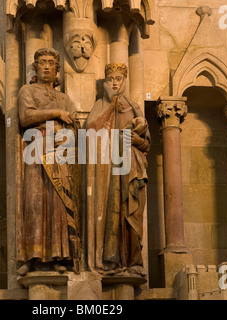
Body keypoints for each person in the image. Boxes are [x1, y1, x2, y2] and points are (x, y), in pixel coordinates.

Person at [16, 48, 81, 275]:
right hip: (36, 149)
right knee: (35, 200)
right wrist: (55, 113)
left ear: (57, 69)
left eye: (50, 63)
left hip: (61, 153)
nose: (46, 66)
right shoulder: (28, 91)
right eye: (42, 62)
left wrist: (68, 132)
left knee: (58, 204)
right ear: (35, 67)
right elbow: (26, 117)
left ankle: (59, 256)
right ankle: (32, 257)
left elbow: (75, 125)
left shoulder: (65, 98)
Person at [85, 62, 151, 276]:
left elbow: (147, 144)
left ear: (125, 81)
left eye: (118, 79)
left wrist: (136, 140)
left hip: (132, 166)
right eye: (110, 79)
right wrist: (111, 106)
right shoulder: (100, 104)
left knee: (132, 212)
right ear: (105, 82)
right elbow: (90, 130)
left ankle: (133, 261)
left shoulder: (134, 106)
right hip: (108, 169)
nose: (114, 83)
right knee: (112, 211)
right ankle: (112, 259)